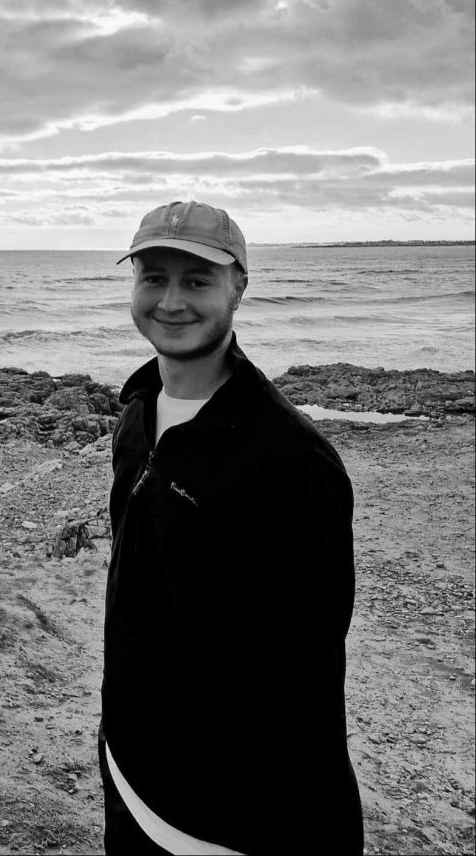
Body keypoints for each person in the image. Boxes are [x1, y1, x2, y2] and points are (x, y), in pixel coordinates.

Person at [99, 201, 364, 855]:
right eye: (153, 277)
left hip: (228, 821)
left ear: (239, 285)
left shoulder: (294, 461)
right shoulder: (136, 413)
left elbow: (307, 678)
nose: (170, 300)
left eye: (197, 280)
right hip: (129, 775)